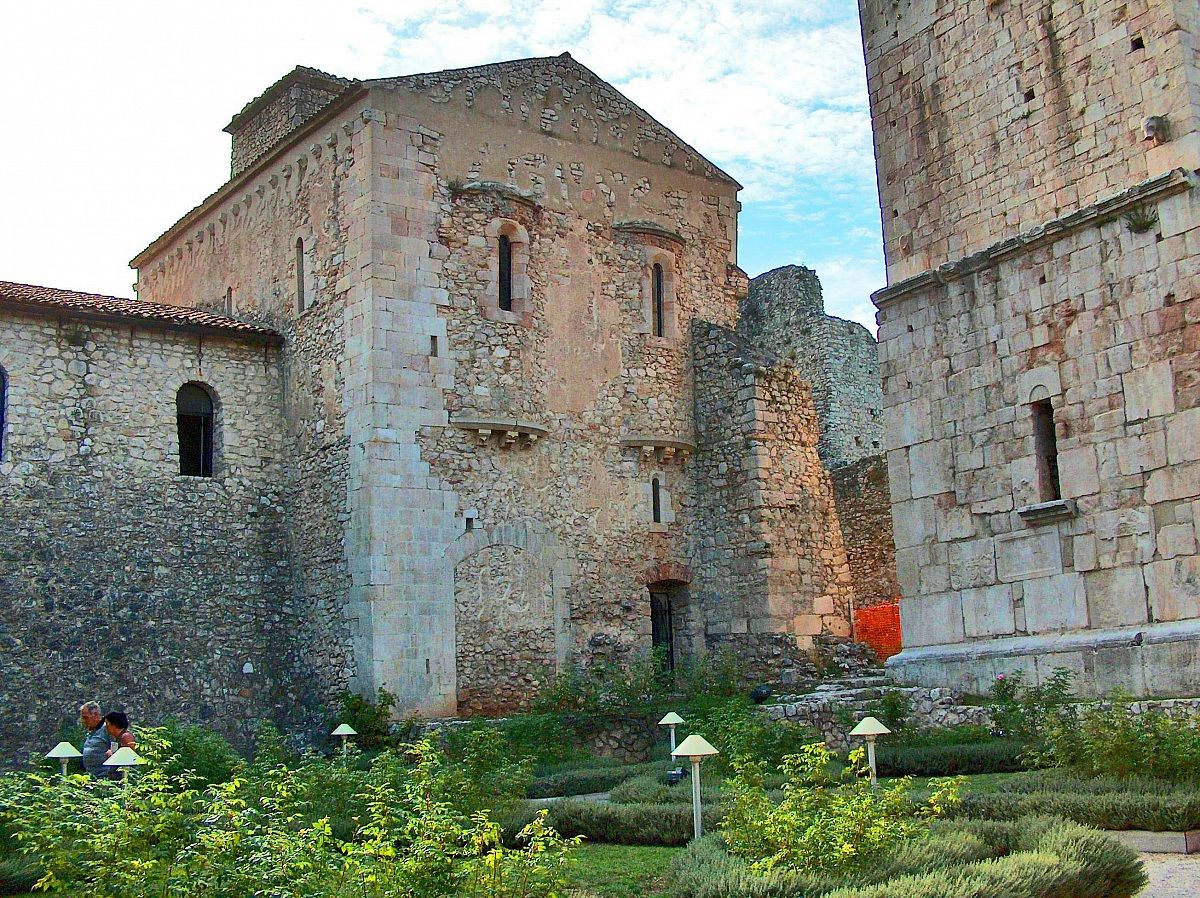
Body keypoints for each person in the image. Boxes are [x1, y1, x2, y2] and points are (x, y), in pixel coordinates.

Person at [79, 701, 112, 778]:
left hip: (105, 776)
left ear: (96, 715)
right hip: (91, 775)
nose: (83, 721)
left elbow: (117, 746)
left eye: (85, 717)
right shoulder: (92, 731)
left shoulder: (107, 729)